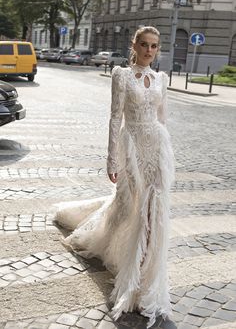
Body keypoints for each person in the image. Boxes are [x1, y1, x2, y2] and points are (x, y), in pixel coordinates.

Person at [54, 26, 175, 328]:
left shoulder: (162, 79)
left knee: (153, 210)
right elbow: (114, 117)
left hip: (156, 150)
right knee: (129, 209)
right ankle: (118, 249)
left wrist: (166, 154)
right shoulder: (121, 75)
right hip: (132, 149)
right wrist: (112, 158)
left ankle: (143, 272)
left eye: (155, 46)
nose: (149, 51)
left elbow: (162, 119)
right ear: (134, 45)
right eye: (145, 45)